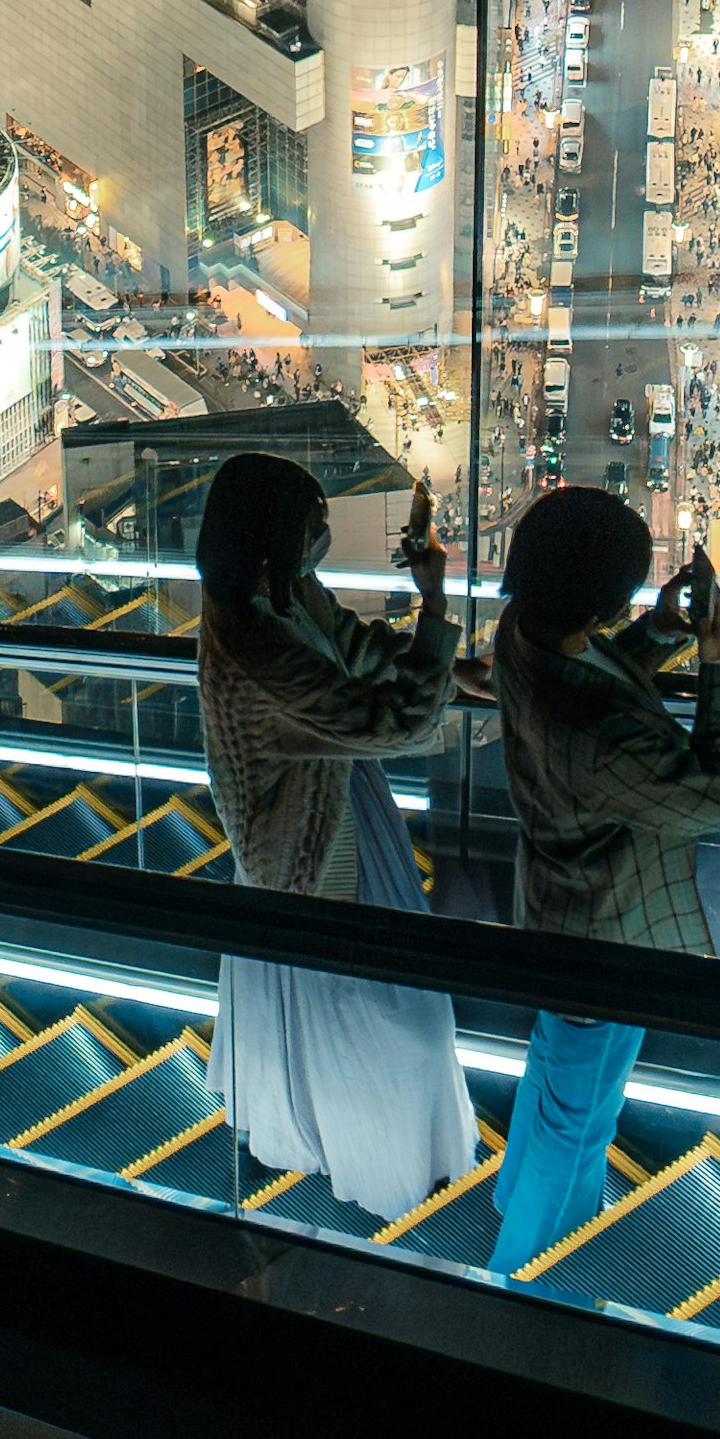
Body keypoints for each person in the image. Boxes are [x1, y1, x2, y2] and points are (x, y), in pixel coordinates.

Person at [481, 491, 720, 1286]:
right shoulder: (593, 732)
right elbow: (712, 794)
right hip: (610, 927)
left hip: (555, 901)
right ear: (600, 598)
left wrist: (656, 636)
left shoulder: (520, 632)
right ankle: (526, 1278)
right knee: (582, 1113)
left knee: (555, 1071)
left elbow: (594, 679)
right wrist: (713, 661)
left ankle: (514, 1206)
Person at [194, 452, 475, 1225]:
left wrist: (445, 659)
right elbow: (401, 726)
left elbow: (352, 648)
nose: (322, 540)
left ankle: (341, 1147)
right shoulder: (259, 650)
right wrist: (434, 604)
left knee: (342, 1009)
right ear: (270, 545)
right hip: (310, 850)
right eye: (312, 529)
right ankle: (384, 1171)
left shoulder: (268, 593)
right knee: (394, 1019)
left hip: (333, 814)